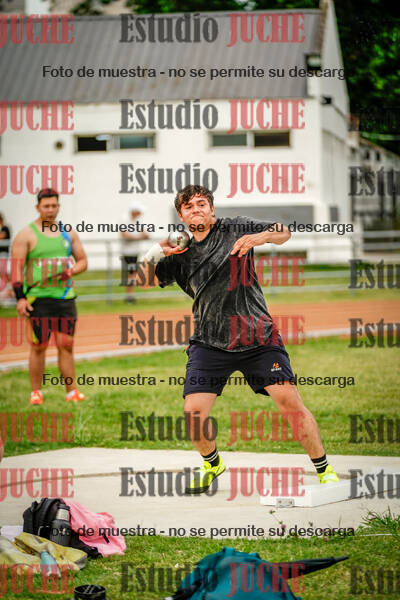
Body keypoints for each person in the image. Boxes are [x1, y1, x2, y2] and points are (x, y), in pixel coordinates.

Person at [143, 184, 339, 494]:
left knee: (289, 402)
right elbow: (144, 280)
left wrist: (259, 238)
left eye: (202, 203)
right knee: (193, 413)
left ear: (212, 209)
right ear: (181, 216)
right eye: (189, 206)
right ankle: (212, 464)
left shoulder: (235, 227)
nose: (196, 209)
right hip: (209, 341)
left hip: (258, 337)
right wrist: (154, 254)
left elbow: (284, 232)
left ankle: (324, 469)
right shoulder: (180, 252)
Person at [11, 188, 88, 405]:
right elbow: (16, 270)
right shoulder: (26, 235)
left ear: (58, 206)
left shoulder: (68, 233)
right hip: (38, 299)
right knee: (39, 346)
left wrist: (71, 271)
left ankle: (72, 392)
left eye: (54, 205)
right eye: (46, 206)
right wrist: (20, 298)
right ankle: (36, 392)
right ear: (38, 207)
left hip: (65, 298)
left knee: (66, 345)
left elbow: (83, 261)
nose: (50, 210)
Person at [120, 202, 150, 302]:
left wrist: (144, 236)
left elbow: (144, 233)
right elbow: (124, 235)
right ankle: (129, 296)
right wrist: (137, 237)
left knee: (133, 274)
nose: (140, 214)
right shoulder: (125, 219)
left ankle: (130, 295)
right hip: (127, 252)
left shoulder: (137, 221)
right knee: (132, 274)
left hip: (135, 252)